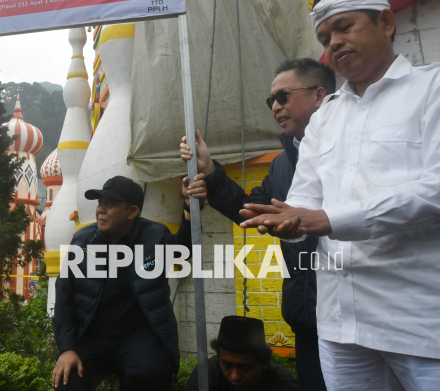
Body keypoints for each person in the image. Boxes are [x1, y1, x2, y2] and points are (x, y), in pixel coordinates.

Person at [241, 0, 440, 389]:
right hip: (340, 322)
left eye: (344, 28)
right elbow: (305, 194)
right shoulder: (326, 117)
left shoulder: (439, 88)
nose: (334, 43)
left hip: (425, 321)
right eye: (325, 38)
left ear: (386, 22)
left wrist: (325, 219)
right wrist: (289, 218)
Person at [180, 58, 334, 390]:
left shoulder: (354, 151)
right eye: (271, 101)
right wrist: (210, 172)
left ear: (319, 95)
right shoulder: (281, 167)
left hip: (358, 314)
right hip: (308, 320)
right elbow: (249, 210)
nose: (275, 107)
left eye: (283, 97)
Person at [52, 175, 189, 390]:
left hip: (137, 337)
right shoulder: (82, 241)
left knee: (153, 374)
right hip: (91, 337)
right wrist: (67, 348)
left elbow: (183, 250)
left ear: (132, 212)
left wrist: (189, 207)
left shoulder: (155, 236)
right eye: (100, 203)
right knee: (68, 380)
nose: (100, 210)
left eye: (110, 204)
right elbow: (63, 297)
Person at [185, 316, 298, 391]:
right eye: (227, 365)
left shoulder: (284, 385)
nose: (235, 376)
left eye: (245, 368)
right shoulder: (205, 378)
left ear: (263, 364)